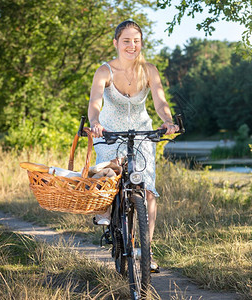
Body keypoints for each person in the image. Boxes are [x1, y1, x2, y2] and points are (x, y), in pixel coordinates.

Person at [88, 20, 178, 272]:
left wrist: (167, 121)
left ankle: (145, 250)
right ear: (116, 43)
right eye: (126, 40)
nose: (132, 45)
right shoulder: (104, 71)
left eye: (136, 41)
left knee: (147, 190)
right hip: (109, 133)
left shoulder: (149, 70)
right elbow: (95, 102)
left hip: (142, 134)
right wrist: (95, 122)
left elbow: (160, 101)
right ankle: (106, 210)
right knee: (111, 174)